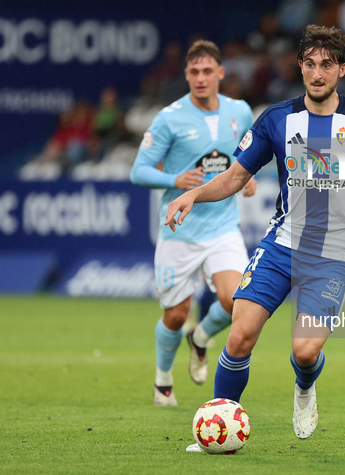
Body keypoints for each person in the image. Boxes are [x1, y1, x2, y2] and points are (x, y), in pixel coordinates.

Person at [166, 26, 345, 445]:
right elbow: (235, 177)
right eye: (310, 64)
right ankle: (218, 427)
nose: (318, 73)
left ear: (343, 69)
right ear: (300, 66)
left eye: (327, 65)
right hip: (282, 244)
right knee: (240, 333)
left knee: (304, 351)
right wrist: (194, 195)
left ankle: (305, 384)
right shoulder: (278, 119)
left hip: (333, 252)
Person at [130, 40, 256, 406]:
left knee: (236, 301)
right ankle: (163, 380)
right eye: (194, 72)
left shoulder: (241, 112)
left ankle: (200, 338)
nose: (201, 79)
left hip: (223, 227)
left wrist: (249, 177)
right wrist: (175, 180)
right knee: (175, 315)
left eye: (207, 72)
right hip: (179, 229)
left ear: (220, 73)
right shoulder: (169, 117)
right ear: (186, 75)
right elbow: (138, 171)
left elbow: (248, 155)